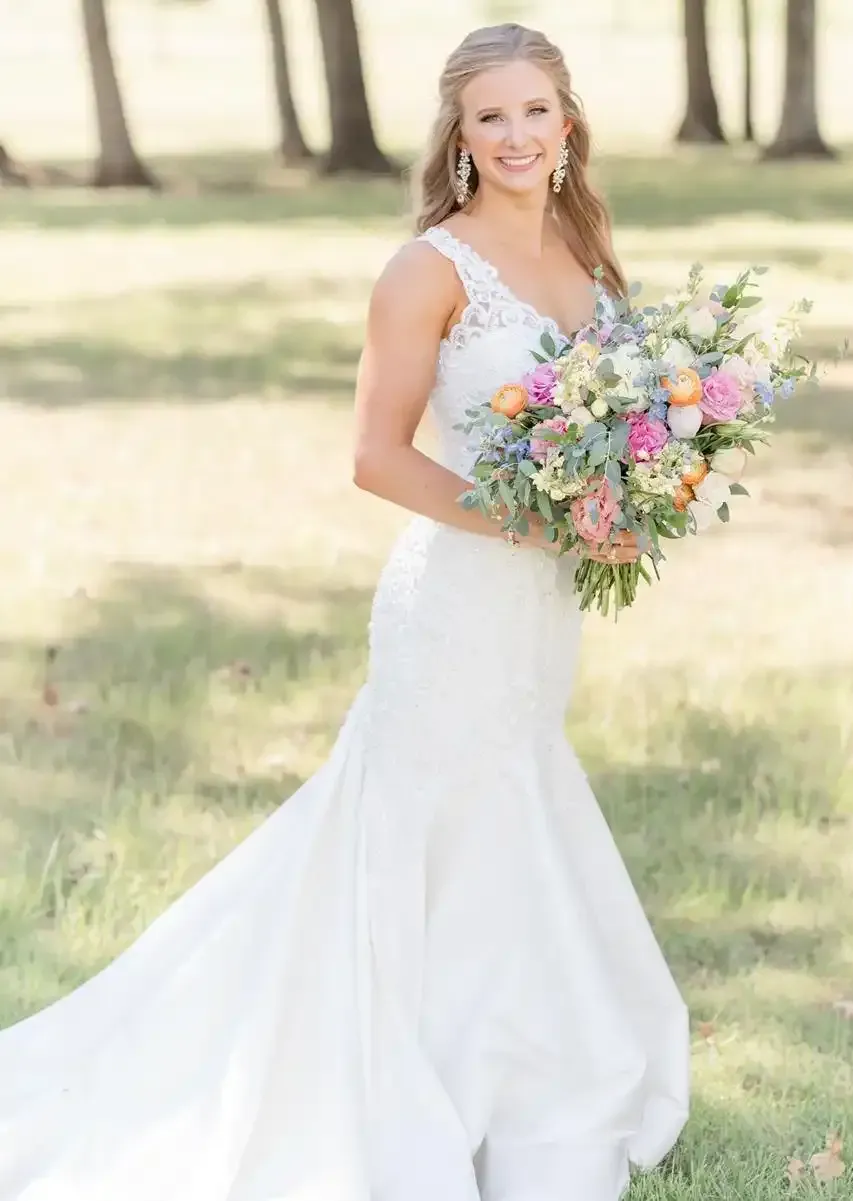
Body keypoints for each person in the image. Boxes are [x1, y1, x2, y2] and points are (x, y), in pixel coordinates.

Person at [0, 23, 689, 1201]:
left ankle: (508, 1066)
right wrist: (533, 520)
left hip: (540, 611)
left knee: (508, 810)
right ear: (458, 137)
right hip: (458, 601)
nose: (515, 137)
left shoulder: (585, 252)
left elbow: (613, 426)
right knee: (421, 820)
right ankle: (391, 1082)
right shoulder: (429, 268)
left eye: (534, 112)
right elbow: (376, 456)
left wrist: (636, 486)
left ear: (567, 123)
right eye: (489, 118)